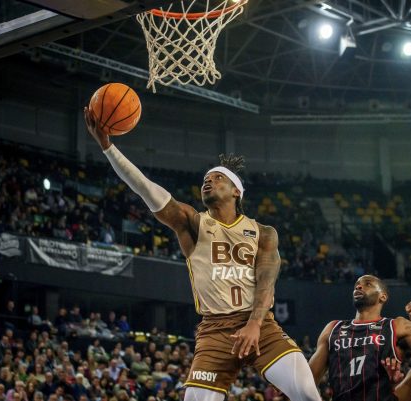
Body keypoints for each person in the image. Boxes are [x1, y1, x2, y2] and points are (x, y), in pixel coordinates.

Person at [84, 108, 321, 401]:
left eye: (218, 178)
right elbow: (145, 189)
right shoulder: (192, 223)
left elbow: (266, 282)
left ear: (236, 191)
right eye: (206, 179)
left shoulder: (264, 233)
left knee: (307, 392)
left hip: (260, 323)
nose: (208, 181)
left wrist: (254, 324)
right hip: (214, 330)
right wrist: (108, 147)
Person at [308, 274, 411, 401]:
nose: (359, 286)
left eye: (368, 284)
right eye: (357, 285)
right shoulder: (333, 328)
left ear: (382, 296)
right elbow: (307, 380)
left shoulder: (398, 326)